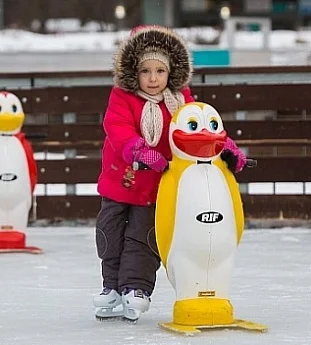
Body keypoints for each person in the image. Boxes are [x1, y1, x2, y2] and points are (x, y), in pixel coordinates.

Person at [93, 25, 246, 321]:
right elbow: (118, 128)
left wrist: (226, 148)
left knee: (144, 237)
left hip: (155, 186)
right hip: (120, 182)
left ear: (170, 72)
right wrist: (139, 149)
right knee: (110, 235)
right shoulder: (122, 97)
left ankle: (135, 288)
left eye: (160, 71)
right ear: (133, 72)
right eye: (145, 71)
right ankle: (111, 285)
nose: (153, 79)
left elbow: (198, 129)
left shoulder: (180, 99)